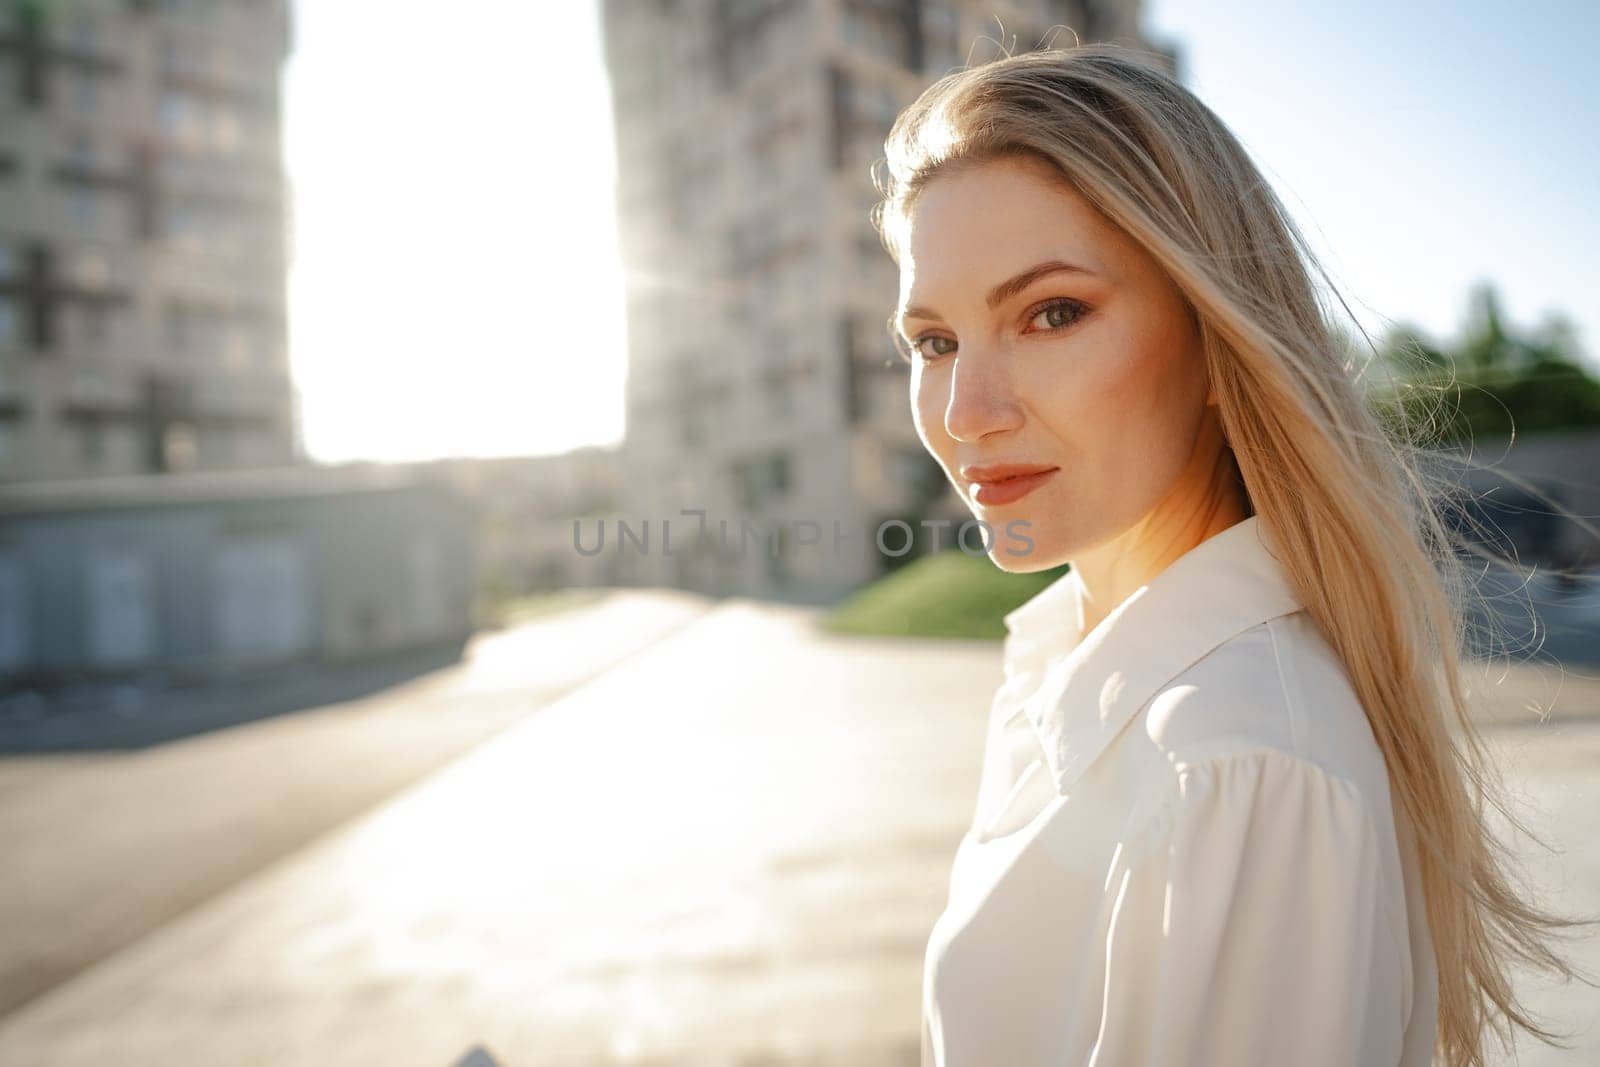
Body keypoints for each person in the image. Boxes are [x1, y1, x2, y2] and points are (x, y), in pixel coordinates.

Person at [869, 42, 1599, 1067]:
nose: (965, 412)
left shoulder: (1233, 761)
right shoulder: (1075, 679)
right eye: (934, 340)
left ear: (1217, 338)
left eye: (1052, 313)